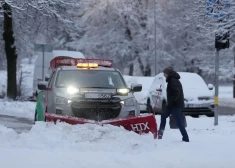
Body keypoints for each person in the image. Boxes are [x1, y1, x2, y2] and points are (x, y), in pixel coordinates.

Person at [158, 67, 189, 142]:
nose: (164, 75)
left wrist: (170, 102)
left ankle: (185, 138)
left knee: (178, 121)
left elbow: (176, 93)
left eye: (164, 74)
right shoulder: (172, 80)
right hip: (173, 105)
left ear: (167, 74)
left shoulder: (173, 80)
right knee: (163, 116)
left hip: (176, 105)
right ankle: (159, 135)